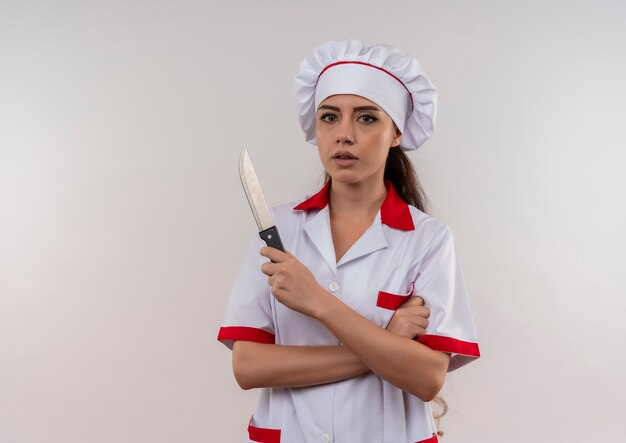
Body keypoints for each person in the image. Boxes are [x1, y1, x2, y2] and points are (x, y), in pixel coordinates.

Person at [218, 39, 480, 443]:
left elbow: (427, 377)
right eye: (329, 117)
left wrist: (318, 301)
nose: (343, 135)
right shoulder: (277, 232)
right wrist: (387, 344)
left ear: (396, 132)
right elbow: (248, 367)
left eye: (366, 118)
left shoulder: (428, 240)